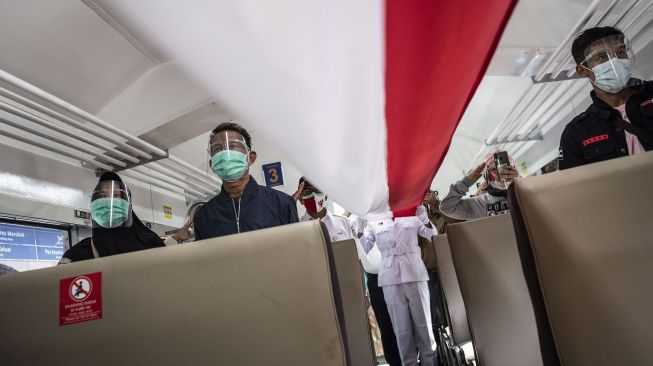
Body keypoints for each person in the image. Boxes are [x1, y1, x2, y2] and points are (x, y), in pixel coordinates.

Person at [559, 26, 653, 170]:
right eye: (602, 57)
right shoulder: (576, 133)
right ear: (582, 70)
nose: (616, 61)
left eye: (620, 52)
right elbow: (574, 187)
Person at [362, 208, 437, 366]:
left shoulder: (412, 208)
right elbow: (362, 249)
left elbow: (433, 235)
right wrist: (356, 230)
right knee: (402, 332)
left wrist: (423, 218)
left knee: (424, 328)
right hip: (390, 278)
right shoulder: (373, 216)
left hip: (415, 272)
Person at [58, 172, 165, 264]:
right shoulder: (78, 253)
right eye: (102, 196)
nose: (110, 202)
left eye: (117, 195)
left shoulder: (150, 242)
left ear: (128, 204)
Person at [439, 152, 518, 220]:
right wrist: (465, 182)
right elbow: (446, 208)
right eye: (493, 169)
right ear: (487, 176)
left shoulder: (523, 193)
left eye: (506, 168)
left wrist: (520, 182)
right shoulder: (478, 204)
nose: (499, 173)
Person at [293, 177, 354, 242]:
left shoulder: (344, 222)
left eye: (318, 191)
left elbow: (357, 251)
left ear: (326, 196)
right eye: (307, 192)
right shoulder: (296, 229)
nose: (314, 196)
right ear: (300, 200)